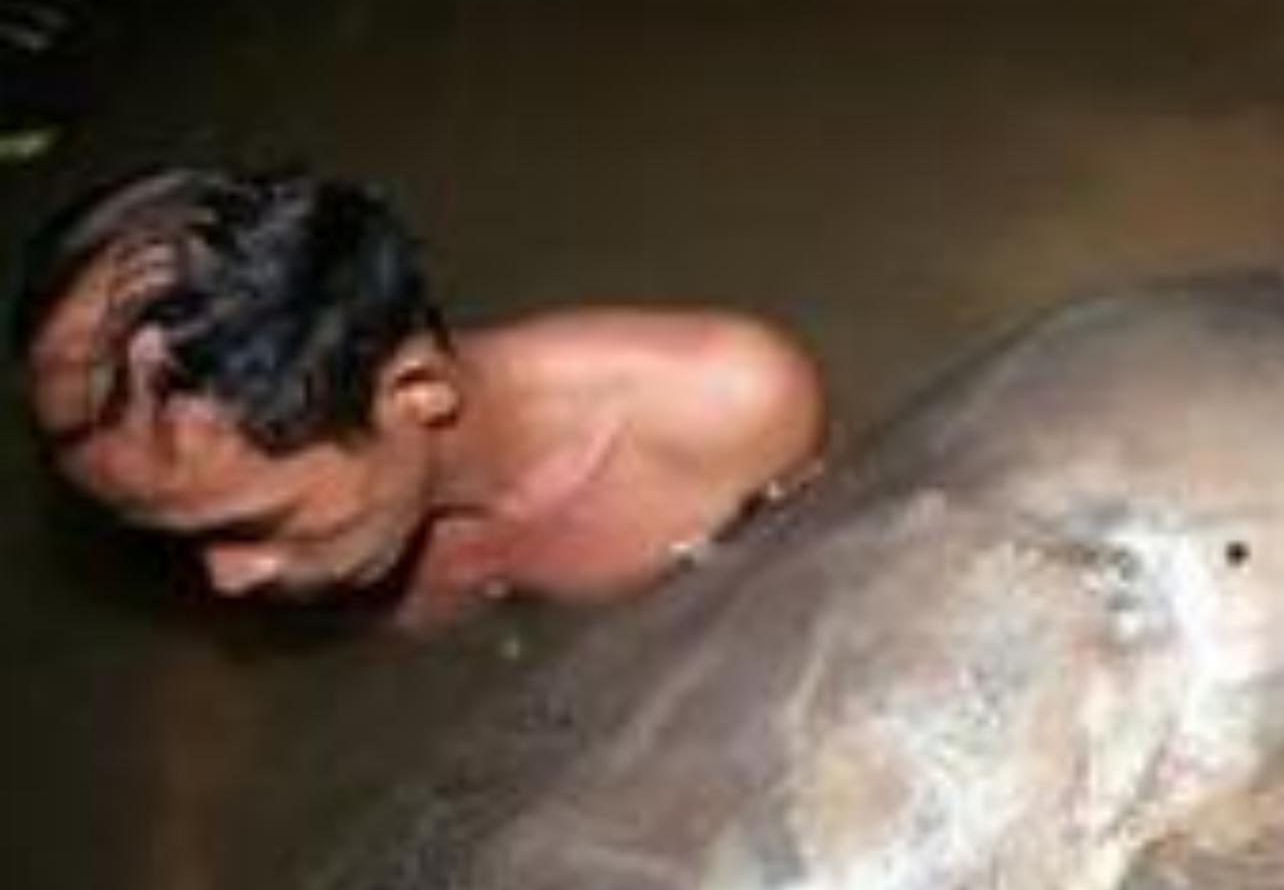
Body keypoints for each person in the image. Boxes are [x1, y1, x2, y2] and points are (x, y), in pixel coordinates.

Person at [11, 165, 828, 630]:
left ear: (415, 391)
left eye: (251, 528)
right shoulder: (237, 489)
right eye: (169, 537)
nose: (224, 581)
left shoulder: (727, 406)